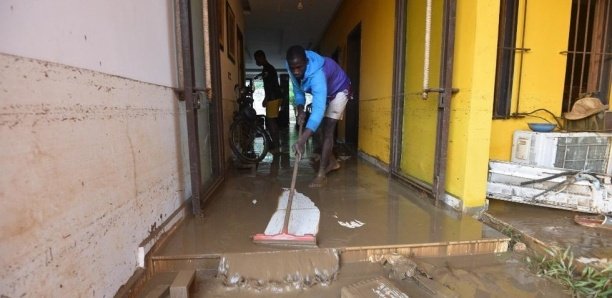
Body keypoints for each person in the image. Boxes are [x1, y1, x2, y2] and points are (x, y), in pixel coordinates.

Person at [286, 45, 351, 188]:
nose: (296, 71)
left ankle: (321, 174)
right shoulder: (291, 67)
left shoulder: (317, 75)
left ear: (307, 62)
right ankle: (332, 162)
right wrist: (300, 108)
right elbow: (298, 91)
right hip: (327, 92)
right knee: (319, 130)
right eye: (293, 68)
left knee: (327, 129)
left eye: (299, 67)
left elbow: (318, 111)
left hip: (340, 90)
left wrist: (302, 140)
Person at [253, 50, 281, 153]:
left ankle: (276, 146)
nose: (256, 61)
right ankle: (276, 144)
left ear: (261, 57)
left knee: (271, 121)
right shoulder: (268, 68)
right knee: (271, 121)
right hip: (275, 96)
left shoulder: (267, 69)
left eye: (257, 59)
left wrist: (266, 98)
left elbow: (269, 86)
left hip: (273, 97)